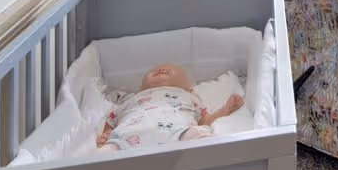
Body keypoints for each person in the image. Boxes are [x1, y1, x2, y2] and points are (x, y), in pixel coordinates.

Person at [96, 63, 244, 151]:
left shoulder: (190, 98)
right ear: (141, 87)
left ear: (187, 88)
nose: (161, 69)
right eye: (156, 70)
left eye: (169, 70)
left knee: (198, 133)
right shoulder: (130, 99)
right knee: (110, 149)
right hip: (129, 136)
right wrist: (106, 135)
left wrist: (224, 110)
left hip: (179, 132)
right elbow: (111, 121)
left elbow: (205, 121)